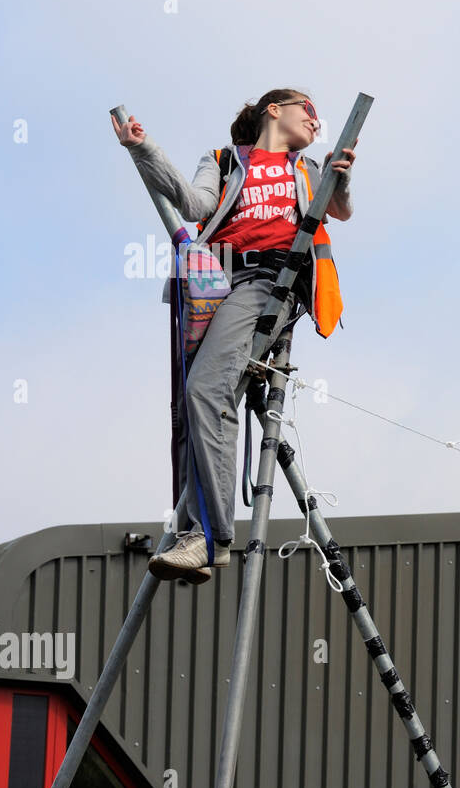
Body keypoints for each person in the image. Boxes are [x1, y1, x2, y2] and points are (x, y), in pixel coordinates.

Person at [111, 89, 357, 582]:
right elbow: (193, 203)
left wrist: (341, 178)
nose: (315, 121)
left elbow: (339, 209)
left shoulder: (308, 168)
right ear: (275, 109)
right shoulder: (225, 160)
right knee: (195, 401)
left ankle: (209, 537)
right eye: (308, 111)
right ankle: (197, 531)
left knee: (206, 389)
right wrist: (143, 148)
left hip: (268, 283)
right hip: (215, 281)